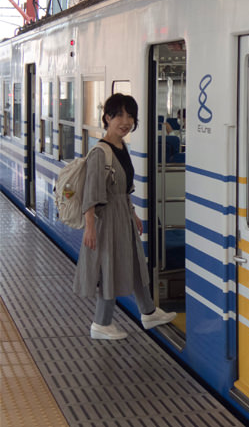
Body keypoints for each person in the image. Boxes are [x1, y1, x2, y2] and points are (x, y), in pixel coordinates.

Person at [73, 93, 175, 340]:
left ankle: (148, 311)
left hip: (123, 215)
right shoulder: (100, 152)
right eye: (118, 115)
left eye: (130, 115)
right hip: (106, 219)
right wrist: (90, 227)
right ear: (107, 118)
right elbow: (92, 193)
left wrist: (133, 214)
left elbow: (124, 188)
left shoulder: (121, 147)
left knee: (136, 264)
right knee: (109, 267)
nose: (125, 121)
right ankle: (101, 323)